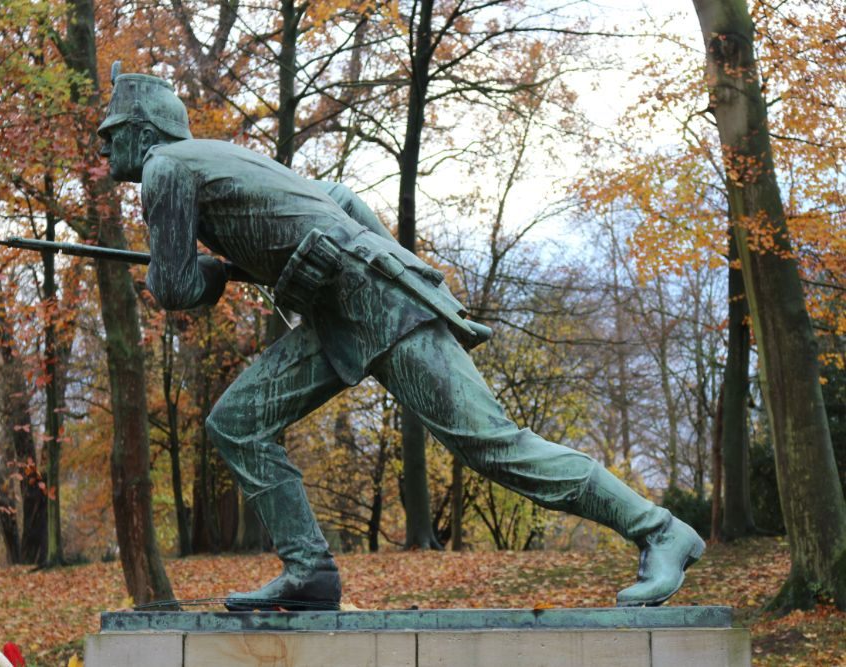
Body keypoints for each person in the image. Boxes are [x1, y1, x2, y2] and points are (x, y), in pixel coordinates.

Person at [97, 66, 705, 612]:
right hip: (345, 305)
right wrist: (368, 263)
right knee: (237, 422)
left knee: (492, 444)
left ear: (144, 130)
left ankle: (658, 529)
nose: (104, 142)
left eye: (112, 129)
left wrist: (206, 272)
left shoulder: (166, 167)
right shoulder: (221, 157)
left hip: (376, 304)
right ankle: (310, 571)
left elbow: (174, 287)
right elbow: (339, 199)